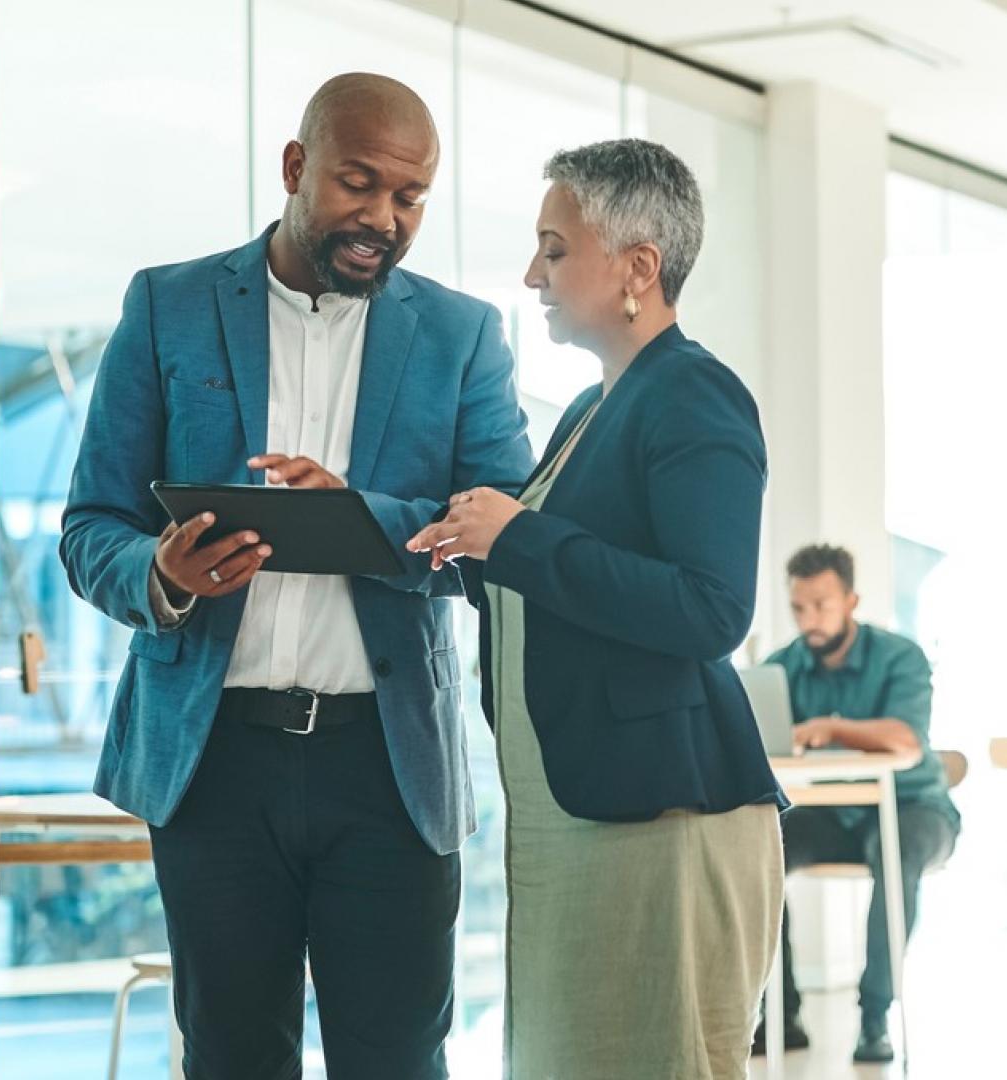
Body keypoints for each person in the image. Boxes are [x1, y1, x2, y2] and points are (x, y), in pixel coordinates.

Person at [59, 72, 533, 1078]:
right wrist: (163, 570)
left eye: (408, 199)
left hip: (388, 765)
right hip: (214, 761)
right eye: (358, 184)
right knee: (231, 1059)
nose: (382, 218)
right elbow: (90, 525)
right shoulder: (166, 307)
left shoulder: (460, 336)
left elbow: (502, 539)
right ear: (294, 167)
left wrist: (356, 520)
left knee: (397, 1060)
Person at [406, 138, 783, 1080]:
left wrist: (519, 541)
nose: (531, 272)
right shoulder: (589, 409)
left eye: (554, 248)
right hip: (581, 816)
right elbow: (551, 582)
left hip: (662, 820)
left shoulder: (695, 395)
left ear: (638, 269)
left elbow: (711, 609)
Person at [760, 544, 961, 1065]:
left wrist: (829, 727)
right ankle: (780, 1015)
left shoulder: (901, 657)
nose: (810, 620)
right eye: (799, 607)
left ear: (851, 600)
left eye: (822, 605)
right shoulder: (780, 668)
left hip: (915, 808)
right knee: (761, 850)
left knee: (896, 856)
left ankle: (874, 1016)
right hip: (831, 811)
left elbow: (906, 740)